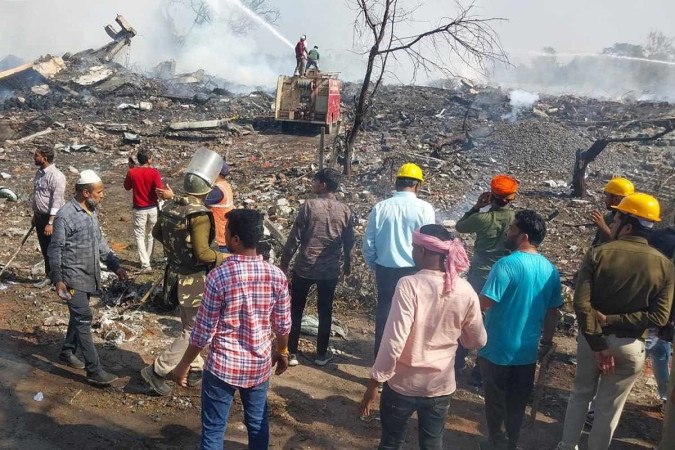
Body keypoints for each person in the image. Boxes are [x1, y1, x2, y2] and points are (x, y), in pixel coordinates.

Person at [558, 193, 674, 450]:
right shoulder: (665, 265)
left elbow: (581, 303)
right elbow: (659, 317)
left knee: (580, 395)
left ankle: (567, 446)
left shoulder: (599, 253)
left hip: (592, 340)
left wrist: (599, 343)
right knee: (609, 408)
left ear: (628, 225)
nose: (612, 224)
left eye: (616, 218)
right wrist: (618, 321)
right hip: (631, 346)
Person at [172, 209, 291, 450]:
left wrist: (183, 365)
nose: (223, 235)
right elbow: (282, 324)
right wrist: (284, 351)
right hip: (257, 366)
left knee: (214, 428)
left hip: (222, 367)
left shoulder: (219, 276)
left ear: (235, 239)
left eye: (226, 232)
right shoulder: (276, 276)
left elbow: (203, 331)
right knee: (257, 424)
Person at [359, 224, 486, 449]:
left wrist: (374, 383)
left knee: (391, 443)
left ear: (422, 251)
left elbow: (393, 341)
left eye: (413, 247)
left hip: (402, 385)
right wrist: (459, 338)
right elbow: (477, 340)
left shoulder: (409, 285)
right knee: (432, 443)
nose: (412, 251)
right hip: (440, 386)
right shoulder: (465, 289)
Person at [141, 148, 228, 396]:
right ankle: (157, 370)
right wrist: (225, 258)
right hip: (195, 279)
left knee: (189, 323)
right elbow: (203, 254)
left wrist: (176, 247)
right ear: (207, 187)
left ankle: (195, 366)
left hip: (175, 275)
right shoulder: (200, 215)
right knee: (195, 330)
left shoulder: (172, 206)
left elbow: (157, 233)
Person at [478, 210, 562, 449]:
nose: (508, 231)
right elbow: (552, 311)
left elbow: (484, 304)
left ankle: (497, 443)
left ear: (523, 236)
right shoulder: (550, 269)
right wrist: (546, 341)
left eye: (512, 228)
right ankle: (511, 442)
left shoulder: (506, 265)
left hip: (497, 347)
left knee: (495, 400)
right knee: (517, 402)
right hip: (527, 350)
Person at [48, 170, 129, 386]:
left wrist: (116, 267)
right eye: (99, 192)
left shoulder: (90, 211)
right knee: (84, 319)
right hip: (71, 278)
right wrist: (58, 280)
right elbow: (55, 249)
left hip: (88, 277)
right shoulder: (66, 215)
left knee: (79, 315)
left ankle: (67, 351)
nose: (103, 195)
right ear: (86, 192)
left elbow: (100, 243)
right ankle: (94, 370)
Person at [279, 168, 354, 366]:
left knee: (296, 310)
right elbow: (349, 242)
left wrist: (284, 264)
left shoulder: (309, 206)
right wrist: (348, 264)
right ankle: (321, 355)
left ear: (323, 184)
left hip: (304, 267)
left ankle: (292, 352)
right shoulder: (345, 210)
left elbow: (294, 239)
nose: (314, 185)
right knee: (325, 312)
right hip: (329, 271)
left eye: (316, 181)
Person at [362, 163, 435, 357]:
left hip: (385, 268)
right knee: (412, 315)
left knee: (384, 314)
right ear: (418, 186)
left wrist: (375, 265)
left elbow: (368, 242)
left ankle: (381, 357)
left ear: (396, 183)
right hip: (414, 270)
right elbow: (429, 243)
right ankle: (404, 358)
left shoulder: (381, 207)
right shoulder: (425, 209)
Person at [454, 174, 518, 385]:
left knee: (468, 318)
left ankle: (457, 362)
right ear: (512, 197)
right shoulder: (516, 221)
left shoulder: (482, 219)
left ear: (491, 195)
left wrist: (476, 207)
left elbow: (460, 226)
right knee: (494, 321)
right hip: (505, 275)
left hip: (480, 274)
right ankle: (480, 372)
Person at [30, 147, 66, 288]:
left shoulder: (56, 176)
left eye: (36, 155)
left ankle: (59, 280)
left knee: (55, 249)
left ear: (44, 158)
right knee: (45, 249)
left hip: (52, 219)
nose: (34, 157)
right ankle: (49, 276)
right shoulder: (39, 173)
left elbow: (57, 201)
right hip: (40, 217)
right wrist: (35, 215)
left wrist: (50, 222)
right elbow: (38, 196)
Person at [124, 148, 164, 273]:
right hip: (152, 208)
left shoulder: (133, 172)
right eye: (151, 157)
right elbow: (160, 189)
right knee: (151, 235)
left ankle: (145, 264)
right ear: (148, 159)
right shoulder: (154, 172)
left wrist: (130, 169)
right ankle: (148, 260)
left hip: (139, 209)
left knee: (139, 236)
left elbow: (127, 187)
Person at [590, 177, 634, 246]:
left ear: (615, 199)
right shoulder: (608, 217)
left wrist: (603, 226)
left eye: (607, 196)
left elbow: (620, 248)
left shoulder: (630, 222)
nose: (605, 199)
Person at [204, 162, 234, 253]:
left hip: (218, 238)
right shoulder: (225, 185)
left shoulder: (217, 191)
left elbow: (196, 201)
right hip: (223, 235)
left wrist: (173, 196)